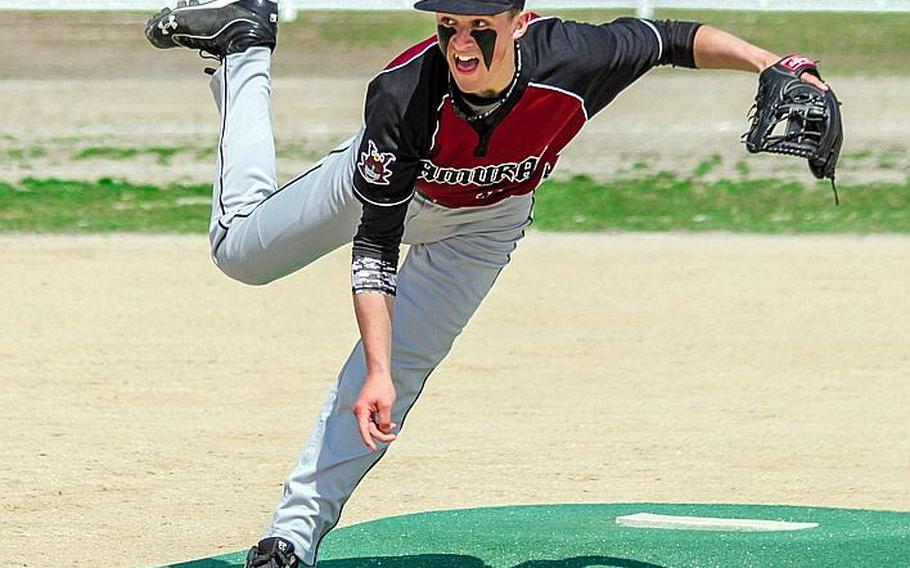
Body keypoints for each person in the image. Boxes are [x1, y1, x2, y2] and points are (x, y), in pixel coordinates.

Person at [145, 1, 828, 566]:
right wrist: (373, 365)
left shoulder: (575, 60)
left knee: (399, 378)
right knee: (239, 253)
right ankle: (243, 49)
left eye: (479, 27)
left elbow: (673, 39)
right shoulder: (404, 93)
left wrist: (771, 63)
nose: (461, 42)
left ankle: (291, 540)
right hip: (385, 191)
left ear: (521, 22)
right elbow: (376, 245)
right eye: (447, 25)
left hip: (486, 224)